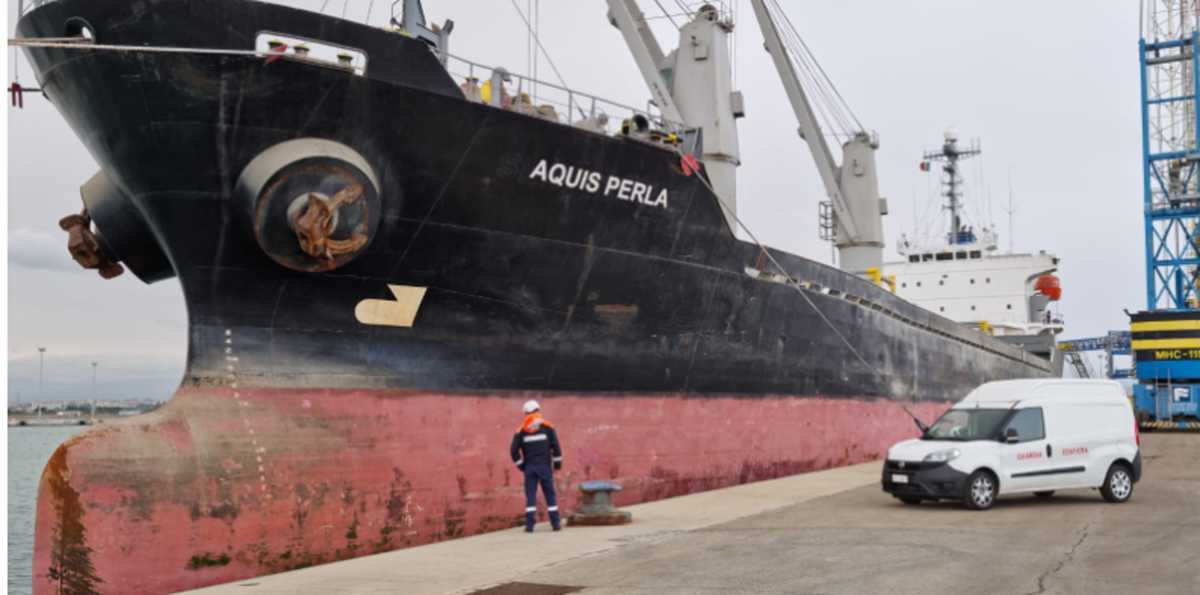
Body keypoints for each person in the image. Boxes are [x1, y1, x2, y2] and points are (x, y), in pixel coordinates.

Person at [510, 400, 563, 532]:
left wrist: (522, 466)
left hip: (530, 468)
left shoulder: (521, 430)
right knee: (550, 494)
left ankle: (529, 526)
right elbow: (556, 448)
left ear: (525, 413)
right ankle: (555, 524)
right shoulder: (548, 427)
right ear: (538, 410)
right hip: (545, 467)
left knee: (531, 496)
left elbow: (513, 451)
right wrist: (557, 465)